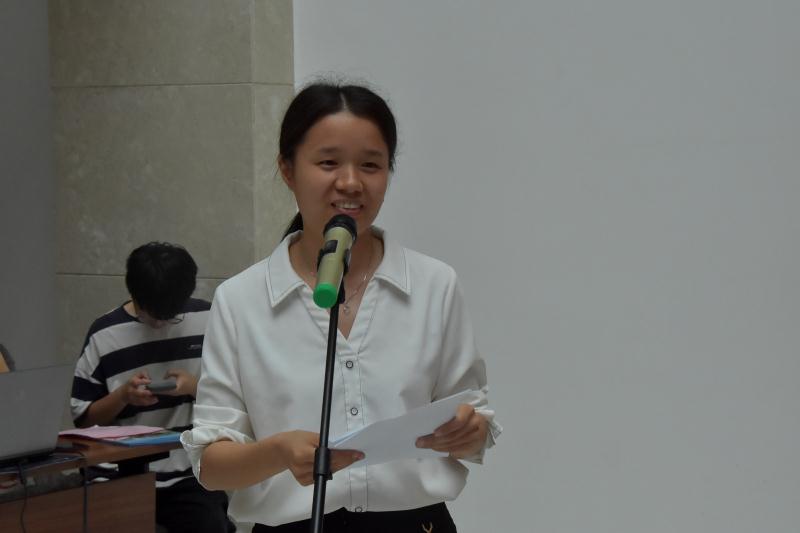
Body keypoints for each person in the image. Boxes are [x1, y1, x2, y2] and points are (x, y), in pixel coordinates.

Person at [181, 82, 501, 532]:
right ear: (288, 169)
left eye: (371, 165)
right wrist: (278, 452)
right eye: (328, 162)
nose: (351, 182)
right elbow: (211, 465)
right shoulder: (241, 300)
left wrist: (469, 431)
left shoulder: (435, 285)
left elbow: (473, 422)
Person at [70, 242, 233, 533]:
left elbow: (235, 397)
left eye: (170, 316)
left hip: (187, 472)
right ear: (134, 294)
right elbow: (83, 418)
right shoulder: (104, 334)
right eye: (151, 315)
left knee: (212, 524)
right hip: (117, 471)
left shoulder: (207, 319)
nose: (159, 324)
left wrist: (193, 387)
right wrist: (122, 396)